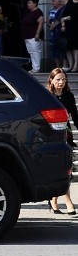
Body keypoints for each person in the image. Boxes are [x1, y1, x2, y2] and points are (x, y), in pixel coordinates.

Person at [48, 68, 77, 215]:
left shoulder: (69, 96)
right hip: (51, 136)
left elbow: (75, 116)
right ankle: (68, 202)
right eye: (58, 79)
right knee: (59, 169)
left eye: (63, 79)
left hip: (66, 135)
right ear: (51, 80)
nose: (61, 82)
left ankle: (54, 201)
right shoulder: (47, 96)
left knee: (66, 169)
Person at [22, 0, 44, 73]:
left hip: (34, 36)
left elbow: (41, 22)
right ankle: (34, 67)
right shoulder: (29, 13)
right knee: (31, 52)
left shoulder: (38, 12)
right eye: (28, 3)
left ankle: (36, 68)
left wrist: (37, 34)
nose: (28, 4)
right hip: (28, 36)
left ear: (35, 3)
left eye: (30, 2)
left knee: (35, 52)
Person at [59, 0, 78, 72]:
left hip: (76, 27)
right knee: (68, 47)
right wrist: (63, 24)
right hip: (69, 28)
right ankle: (70, 65)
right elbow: (63, 15)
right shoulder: (70, 3)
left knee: (75, 47)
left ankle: (75, 65)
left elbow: (75, 16)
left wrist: (65, 18)